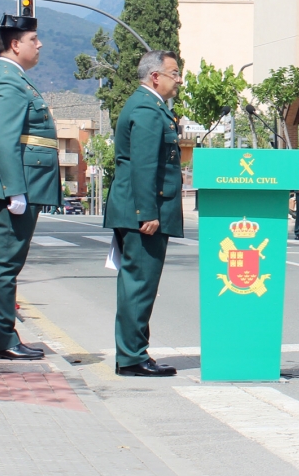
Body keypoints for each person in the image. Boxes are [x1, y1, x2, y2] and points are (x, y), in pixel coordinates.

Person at [0, 14, 60, 361]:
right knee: (4, 264)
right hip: (11, 185)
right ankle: (1, 340)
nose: (39, 45)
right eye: (33, 39)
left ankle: (2, 337)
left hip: (12, 182)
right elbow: (5, 141)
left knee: (4, 263)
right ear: (15, 44)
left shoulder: (12, 78)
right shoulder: (7, 82)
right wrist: (14, 189)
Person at [103, 50, 184, 377]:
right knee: (139, 285)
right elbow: (144, 164)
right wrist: (147, 212)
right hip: (143, 213)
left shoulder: (150, 106)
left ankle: (132, 354)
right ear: (155, 76)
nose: (179, 80)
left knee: (138, 284)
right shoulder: (147, 109)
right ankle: (132, 357)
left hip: (138, 209)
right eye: (174, 73)